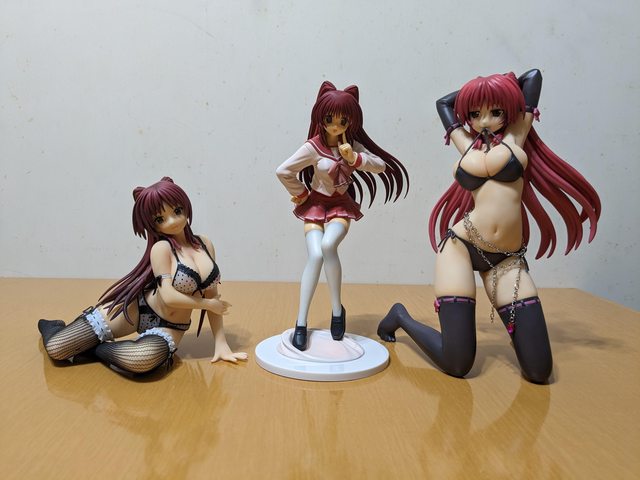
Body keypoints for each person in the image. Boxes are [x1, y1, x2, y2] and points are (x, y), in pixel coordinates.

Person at [377, 70, 600, 383]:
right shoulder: (466, 144)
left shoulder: (517, 134)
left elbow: (533, 78)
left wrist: (497, 88)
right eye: (475, 113)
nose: (484, 120)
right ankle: (400, 315)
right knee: (457, 364)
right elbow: (443, 103)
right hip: (461, 247)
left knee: (539, 371)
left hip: (506, 260)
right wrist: (476, 92)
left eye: (495, 111)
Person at [38, 177, 247, 374]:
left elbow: (212, 293)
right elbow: (169, 296)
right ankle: (53, 327)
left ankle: (94, 350)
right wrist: (207, 305)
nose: (172, 221)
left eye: (177, 211)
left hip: (170, 326)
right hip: (136, 309)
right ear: (152, 224)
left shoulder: (205, 244)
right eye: (160, 219)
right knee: (57, 348)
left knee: (141, 360)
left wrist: (221, 343)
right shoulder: (161, 249)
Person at [276, 81, 409, 351]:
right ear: (320, 118)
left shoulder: (352, 145)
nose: (336, 126)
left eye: (343, 120)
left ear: (351, 121)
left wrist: (354, 158)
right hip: (315, 206)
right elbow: (283, 171)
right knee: (315, 256)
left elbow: (380, 166)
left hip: (340, 206)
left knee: (328, 246)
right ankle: (301, 322)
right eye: (330, 119)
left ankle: (337, 311)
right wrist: (301, 194)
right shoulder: (313, 147)